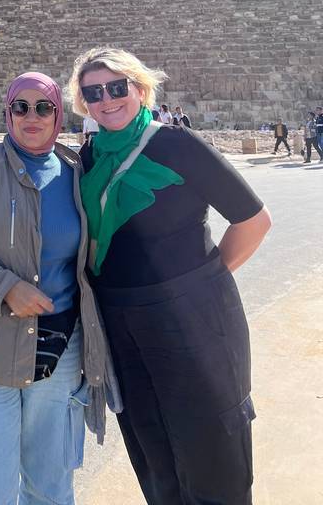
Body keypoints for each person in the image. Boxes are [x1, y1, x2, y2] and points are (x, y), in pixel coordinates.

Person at [68, 47, 271, 505]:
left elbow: (254, 221)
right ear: (82, 102)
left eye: (117, 88)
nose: (106, 99)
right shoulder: (87, 159)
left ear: (139, 89)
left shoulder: (177, 145)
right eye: (93, 92)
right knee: (153, 454)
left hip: (194, 321)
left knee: (213, 453)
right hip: (120, 326)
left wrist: (199, 283)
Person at [0, 71, 119, 505]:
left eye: (43, 107)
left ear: (58, 115)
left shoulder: (76, 172)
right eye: (21, 107)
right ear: (7, 112)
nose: (31, 117)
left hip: (60, 349)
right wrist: (5, 287)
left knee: (51, 486)